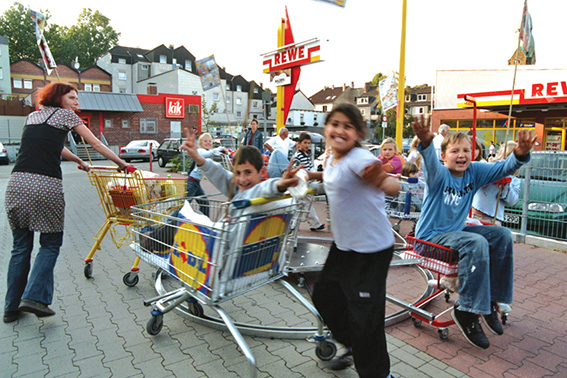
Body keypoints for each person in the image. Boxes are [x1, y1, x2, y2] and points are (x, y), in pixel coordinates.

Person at [3, 82, 132, 323]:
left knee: (20, 246)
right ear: (59, 98)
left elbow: (55, 147)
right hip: (44, 185)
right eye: (72, 98)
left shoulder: (32, 117)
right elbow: (96, 143)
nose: (77, 103)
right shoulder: (65, 115)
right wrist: (121, 163)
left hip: (16, 185)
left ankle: (10, 308)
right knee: (50, 244)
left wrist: (77, 161)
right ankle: (34, 298)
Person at [411, 115, 536, 349]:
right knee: (475, 241)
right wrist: (427, 141)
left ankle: (490, 301)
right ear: (443, 156)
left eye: (466, 150)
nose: (461, 155)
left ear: (473, 154)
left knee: (502, 235)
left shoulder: (474, 172)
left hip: (455, 235)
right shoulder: (439, 175)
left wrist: (519, 154)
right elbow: (428, 164)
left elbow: (503, 167)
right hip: (429, 238)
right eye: (455, 151)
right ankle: (467, 310)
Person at [305, 103, 400, 378]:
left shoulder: (360, 157)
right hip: (344, 248)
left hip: (371, 251)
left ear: (358, 133)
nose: (340, 130)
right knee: (324, 296)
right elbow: (334, 177)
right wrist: (310, 176)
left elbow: (393, 185)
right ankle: (354, 345)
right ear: (326, 128)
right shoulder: (332, 158)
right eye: (335, 123)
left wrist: (381, 179)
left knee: (365, 317)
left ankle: (379, 374)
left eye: (348, 126)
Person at [180, 129, 301, 207]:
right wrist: (197, 157)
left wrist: (280, 185)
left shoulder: (258, 192)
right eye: (237, 173)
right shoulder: (237, 190)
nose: (242, 179)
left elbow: (267, 187)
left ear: (261, 173)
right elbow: (219, 173)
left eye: (248, 172)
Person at [471, 141, 521, 226]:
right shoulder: (488, 168)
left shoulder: (514, 180)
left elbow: (513, 202)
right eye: (507, 157)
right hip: (476, 215)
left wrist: (506, 185)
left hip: (495, 219)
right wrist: (488, 179)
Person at [186, 132, 228, 216]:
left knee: (205, 204)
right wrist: (220, 148)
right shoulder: (200, 151)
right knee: (184, 205)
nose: (208, 143)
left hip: (196, 183)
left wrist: (227, 153)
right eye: (205, 141)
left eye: (210, 141)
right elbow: (207, 154)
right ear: (200, 143)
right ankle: (168, 224)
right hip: (192, 182)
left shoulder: (208, 152)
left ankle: (204, 223)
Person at [292, 132, 325, 231]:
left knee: (304, 204)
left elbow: (310, 168)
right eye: (305, 143)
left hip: (307, 181)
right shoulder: (298, 155)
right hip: (302, 183)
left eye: (308, 143)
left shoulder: (307, 154)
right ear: (299, 143)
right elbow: (296, 169)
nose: (307, 145)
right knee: (301, 204)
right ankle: (312, 224)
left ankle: (314, 224)